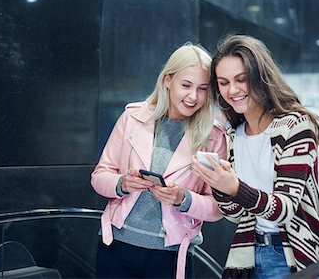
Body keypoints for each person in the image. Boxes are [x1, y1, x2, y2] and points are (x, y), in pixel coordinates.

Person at [192, 35, 319, 278]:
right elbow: (235, 214)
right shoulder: (234, 134)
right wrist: (219, 186)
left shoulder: (295, 126)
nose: (232, 90)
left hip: (290, 255)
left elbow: (284, 209)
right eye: (223, 83)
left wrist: (234, 187)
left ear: (260, 77)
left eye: (241, 80)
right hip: (247, 252)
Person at [91, 42, 227, 279]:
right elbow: (99, 176)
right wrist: (122, 183)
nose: (193, 96)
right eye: (186, 85)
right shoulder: (132, 117)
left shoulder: (213, 136)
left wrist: (184, 199)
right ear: (167, 80)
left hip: (170, 257)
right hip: (115, 248)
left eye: (203, 88)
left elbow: (218, 207)